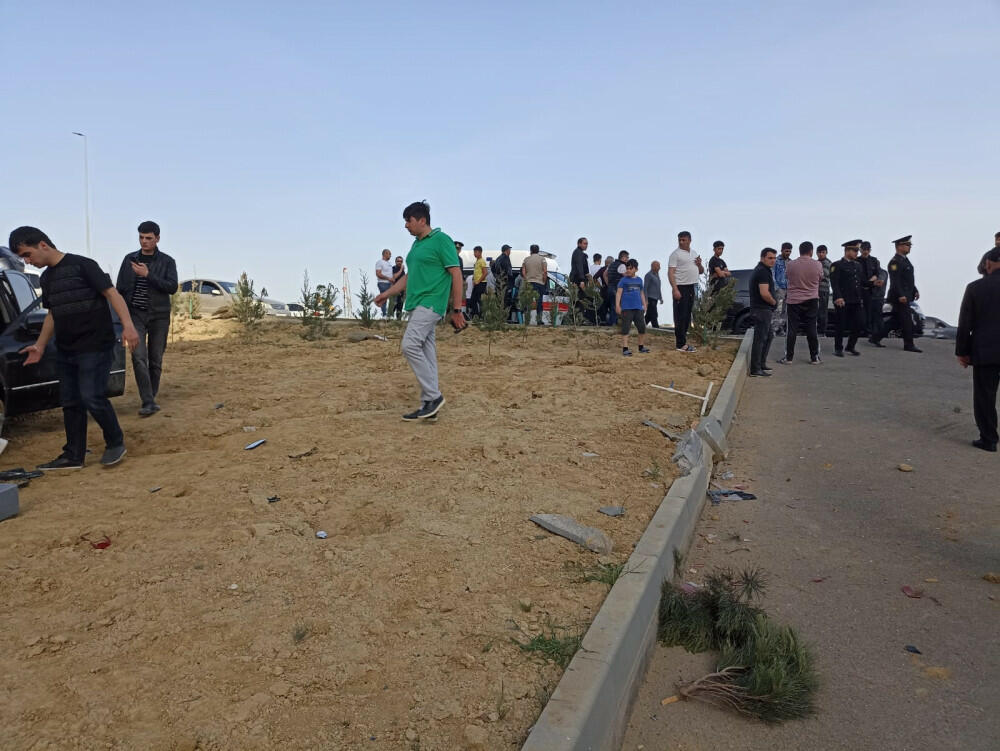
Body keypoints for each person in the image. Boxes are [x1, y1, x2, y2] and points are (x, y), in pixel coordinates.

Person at [9, 226, 140, 469]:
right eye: (23, 258)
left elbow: (112, 294)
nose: (27, 261)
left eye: (27, 254)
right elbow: (52, 314)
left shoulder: (83, 265)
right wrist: (40, 345)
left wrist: (128, 326)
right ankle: (73, 455)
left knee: (91, 396)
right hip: (66, 349)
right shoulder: (46, 278)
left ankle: (115, 443)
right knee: (70, 402)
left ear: (43, 245)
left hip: (95, 345)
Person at [372, 202, 466, 421]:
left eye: (409, 221)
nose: (406, 225)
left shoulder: (441, 240)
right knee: (426, 352)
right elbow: (409, 276)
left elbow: (456, 274)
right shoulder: (416, 245)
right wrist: (387, 294)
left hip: (431, 303)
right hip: (416, 304)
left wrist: (457, 309)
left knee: (409, 345)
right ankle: (429, 405)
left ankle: (433, 396)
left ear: (422, 220)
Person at [114, 220, 178, 416]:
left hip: (159, 316)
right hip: (135, 315)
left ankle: (151, 396)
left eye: (148, 238)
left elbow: (172, 287)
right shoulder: (129, 259)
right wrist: (122, 320)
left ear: (157, 238)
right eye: (141, 237)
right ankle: (148, 401)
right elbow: (120, 290)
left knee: (155, 359)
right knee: (138, 357)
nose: (144, 241)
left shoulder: (167, 261)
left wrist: (148, 274)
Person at [956, 247, 1000, 452]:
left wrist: (962, 352)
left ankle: (989, 439)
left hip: (986, 351)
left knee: (985, 396)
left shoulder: (975, 288)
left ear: (988, 264)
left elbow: (965, 323)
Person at [871, 236, 921, 352]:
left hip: (906, 295)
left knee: (896, 320)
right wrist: (901, 295)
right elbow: (895, 281)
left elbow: (908, 279)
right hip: (898, 297)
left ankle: (875, 337)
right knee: (907, 320)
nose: (909, 247)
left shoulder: (905, 260)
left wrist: (915, 290)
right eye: (907, 245)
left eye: (910, 245)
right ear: (899, 246)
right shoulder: (895, 262)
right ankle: (909, 344)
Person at [779, 241, 823, 364]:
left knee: (792, 329)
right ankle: (814, 357)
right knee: (811, 328)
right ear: (811, 251)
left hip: (793, 300)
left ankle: (788, 358)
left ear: (799, 251)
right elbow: (820, 278)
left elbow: (787, 277)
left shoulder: (791, 264)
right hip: (812, 299)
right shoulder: (817, 264)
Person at [668, 231, 703, 352]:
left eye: (684, 240)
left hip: (691, 287)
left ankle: (683, 341)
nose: (681, 242)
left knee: (687, 315)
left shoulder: (694, 253)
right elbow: (671, 272)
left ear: (690, 240)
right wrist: (675, 289)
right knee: (680, 316)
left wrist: (699, 265)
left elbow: (701, 271)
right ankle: (680, 344)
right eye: (680, 240)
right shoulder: (675, 254)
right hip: (680, 287)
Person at [830, 240, 865, 357]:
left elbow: (860, 282)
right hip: (843, 300)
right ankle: (838, 348)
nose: (857, 253)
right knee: (841, 324)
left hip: (856, 300)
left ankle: (850, 346)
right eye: (855, 250)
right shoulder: (837, 265)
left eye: (857, 251)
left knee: (859, 323)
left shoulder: (858, 265)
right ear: (847, 251)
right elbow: (834, 283)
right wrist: (838, 297)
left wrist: (873, 283)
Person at [749, 248, 778, 377]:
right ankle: (755, 369)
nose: (773, 260)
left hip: (763, 310)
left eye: (774, 258)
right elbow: (764, 293)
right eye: (770, 258)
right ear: (762, 258)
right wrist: (774, 302)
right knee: (760, 339)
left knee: (769, 336)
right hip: (761, 310)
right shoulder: (762, 272)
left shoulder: (764, 270)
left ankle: (761, 364)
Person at [616, 259, 650, 356]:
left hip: (638, 308)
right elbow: (618, 293)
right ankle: (625, 348)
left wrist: (644, 304)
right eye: (627, 268)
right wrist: (617, 305)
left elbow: (641, 293)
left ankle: (641, 346)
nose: (628, 270)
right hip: (626, 308)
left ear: (636, 269)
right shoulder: (623, 280)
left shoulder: (639, 280)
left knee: (642, 327)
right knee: (625, 328)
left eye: (631, 268)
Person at [857, 240, 884, 338]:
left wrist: (871, 281)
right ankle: (860, 330)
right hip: (859, 290)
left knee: (870, 311)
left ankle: (868, 331)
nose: (865, 251)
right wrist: (868, 282)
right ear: (860, 250)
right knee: (860, 312)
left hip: (871, 291)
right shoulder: (856, 261)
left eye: (867, 249)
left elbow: (877, 273)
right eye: (864, 249)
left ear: (870, 250)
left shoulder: (874, 260)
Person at [521, 244, 548, 325]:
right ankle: (539, 320)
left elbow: (523, 272)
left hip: (529, 283)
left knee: (528, 301)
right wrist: (544, 281)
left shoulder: (526, 259)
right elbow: (545, 271)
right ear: (538, 250)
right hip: (539, 283)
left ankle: (526, 319)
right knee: (539, 302)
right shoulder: (542, 259)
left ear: (531, 251)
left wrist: (526, 279)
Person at [770, 242, 792, 336]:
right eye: (786, 251)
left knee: (785, 311)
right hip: (779, 289)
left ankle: (780, 328)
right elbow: (772, 274)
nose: (788, 253)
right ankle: (773, 329)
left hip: (789, 289)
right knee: (777, 310)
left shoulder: (791, 262)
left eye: (790, 251)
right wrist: (776, 288)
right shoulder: (776, 261)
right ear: (782, 250)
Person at [605, 250, 629, 326]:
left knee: (612, 305)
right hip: (616, 288)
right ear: (623, 257)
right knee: (617, 306)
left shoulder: (611, 264)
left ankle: (611, 322)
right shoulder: (622, 265)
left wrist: (608, 284)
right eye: (627, 257)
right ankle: (613, 323)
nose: (627, 259)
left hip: (610, 288)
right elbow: (625, 276)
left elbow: (605, 274)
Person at [816, 245, 832, 337]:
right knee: (814, 310)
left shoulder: (829, 263)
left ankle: (822, 331)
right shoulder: (815, 263)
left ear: (826, 253)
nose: (821, 254)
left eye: (823, 252)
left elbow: (825, 275)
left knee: (823, 311)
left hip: (823, 289)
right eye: (819, 252)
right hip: (814, 289)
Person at [375, 249, 395, 317]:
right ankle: (384, 314)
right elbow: (378, 274)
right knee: (384, 298)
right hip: (383, 283)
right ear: (385, 254)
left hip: (390, 283)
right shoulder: (380, 262)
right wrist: (388, 278)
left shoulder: (389, 264)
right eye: (389, 254)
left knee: (392, 299)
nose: (390, 255)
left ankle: (390, 314)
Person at [469, 246, 487, 318]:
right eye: (474, 252)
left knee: (479, 300)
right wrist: (474, 280)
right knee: (473, 300)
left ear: (480, 252)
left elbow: (485, 273)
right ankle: (476, 315)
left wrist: (478, 281)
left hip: (481, 283)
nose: (474, 254)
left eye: (475, 252)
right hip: (477, 284)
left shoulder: (482, 261)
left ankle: (481, 316)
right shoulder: (477, 261)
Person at [643, 261, 662, 328]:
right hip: (650, 298)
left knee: (649, 315)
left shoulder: (657, 276)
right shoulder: (648, 275)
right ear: (653, 266)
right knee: (654, 314)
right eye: (658, 266)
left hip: (655, 298)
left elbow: (658, 287)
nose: (659, 268)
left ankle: (640, 326)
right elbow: (645, 288)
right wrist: (646, 300)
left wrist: (660, 297)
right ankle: (656, 328)